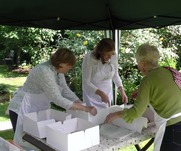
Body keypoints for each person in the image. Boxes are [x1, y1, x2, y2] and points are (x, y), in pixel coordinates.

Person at [8, 48, 97, 150]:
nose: (69, 70)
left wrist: (79, 102)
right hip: (21, 109)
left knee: (40, 143)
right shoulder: (44, 71)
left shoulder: (58, 71)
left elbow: (65, 90)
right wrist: (85, 109)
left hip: (37, 108)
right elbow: (57, 98)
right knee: (23, 143)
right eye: (69, 67)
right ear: (63, 63)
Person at [104, 43, 181, 151]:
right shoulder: (169, 71)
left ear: (142, 63)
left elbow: (136, 112)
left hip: (171, 128)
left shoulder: (147, 80)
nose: (138, 66)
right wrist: (142, 91)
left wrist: (115, 115)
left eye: (137, 63)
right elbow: (165, 92)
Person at [82, 38, 128, 109]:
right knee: (93, 117)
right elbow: (86, 83)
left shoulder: (113, 56)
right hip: (92, 95)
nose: (110, 57)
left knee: (106, 115)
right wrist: (101, 94)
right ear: (100, 52)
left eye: (112, 54)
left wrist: (122, 91)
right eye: (107, 54)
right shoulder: (89, 58)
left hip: (107, 92)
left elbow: (115, 75)